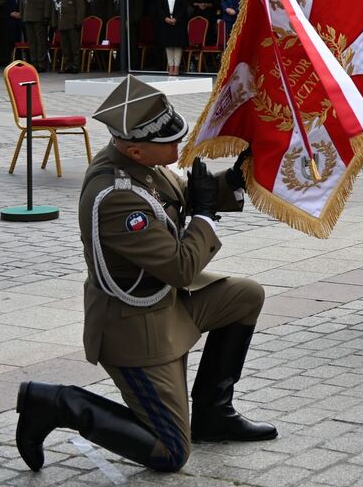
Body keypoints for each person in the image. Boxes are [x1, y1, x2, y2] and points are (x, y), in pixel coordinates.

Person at [15, 76, 276, 474]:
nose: (179, 149)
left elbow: (180, 197)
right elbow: (180, 266)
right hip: (135, 328)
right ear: (135, 149)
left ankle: (212, 414)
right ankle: (54, 403)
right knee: (170, 452)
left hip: (164, 304)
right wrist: (204, 216)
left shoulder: (140, 164)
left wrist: (232, 181)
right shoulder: (116, 195)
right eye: (170, 144)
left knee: (246, 296)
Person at [21, 0, 53, 71]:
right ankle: (33, 62)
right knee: (32, 41)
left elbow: (48, 0)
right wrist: (22, 13)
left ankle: (41, 63)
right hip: (28, 15)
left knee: (41, 42)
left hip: (40, 15)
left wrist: (46, 15)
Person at [154, 0, 189, 76]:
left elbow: (183, 7)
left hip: (178, 22)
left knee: (177, 46)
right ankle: (170, 67)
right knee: (168, 46)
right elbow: (159, 8)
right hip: (166, 22)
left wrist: (175, 18)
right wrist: (165, 18)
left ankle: (176, 67)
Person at [52, 0, 86, 74]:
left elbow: (81, 8)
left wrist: (79, 22)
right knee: (65, 46)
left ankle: (76, 66)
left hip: (72, 23)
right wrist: (54, 23)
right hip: (62, 23)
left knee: (74, 46)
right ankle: (67, 65)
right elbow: (54, 9)